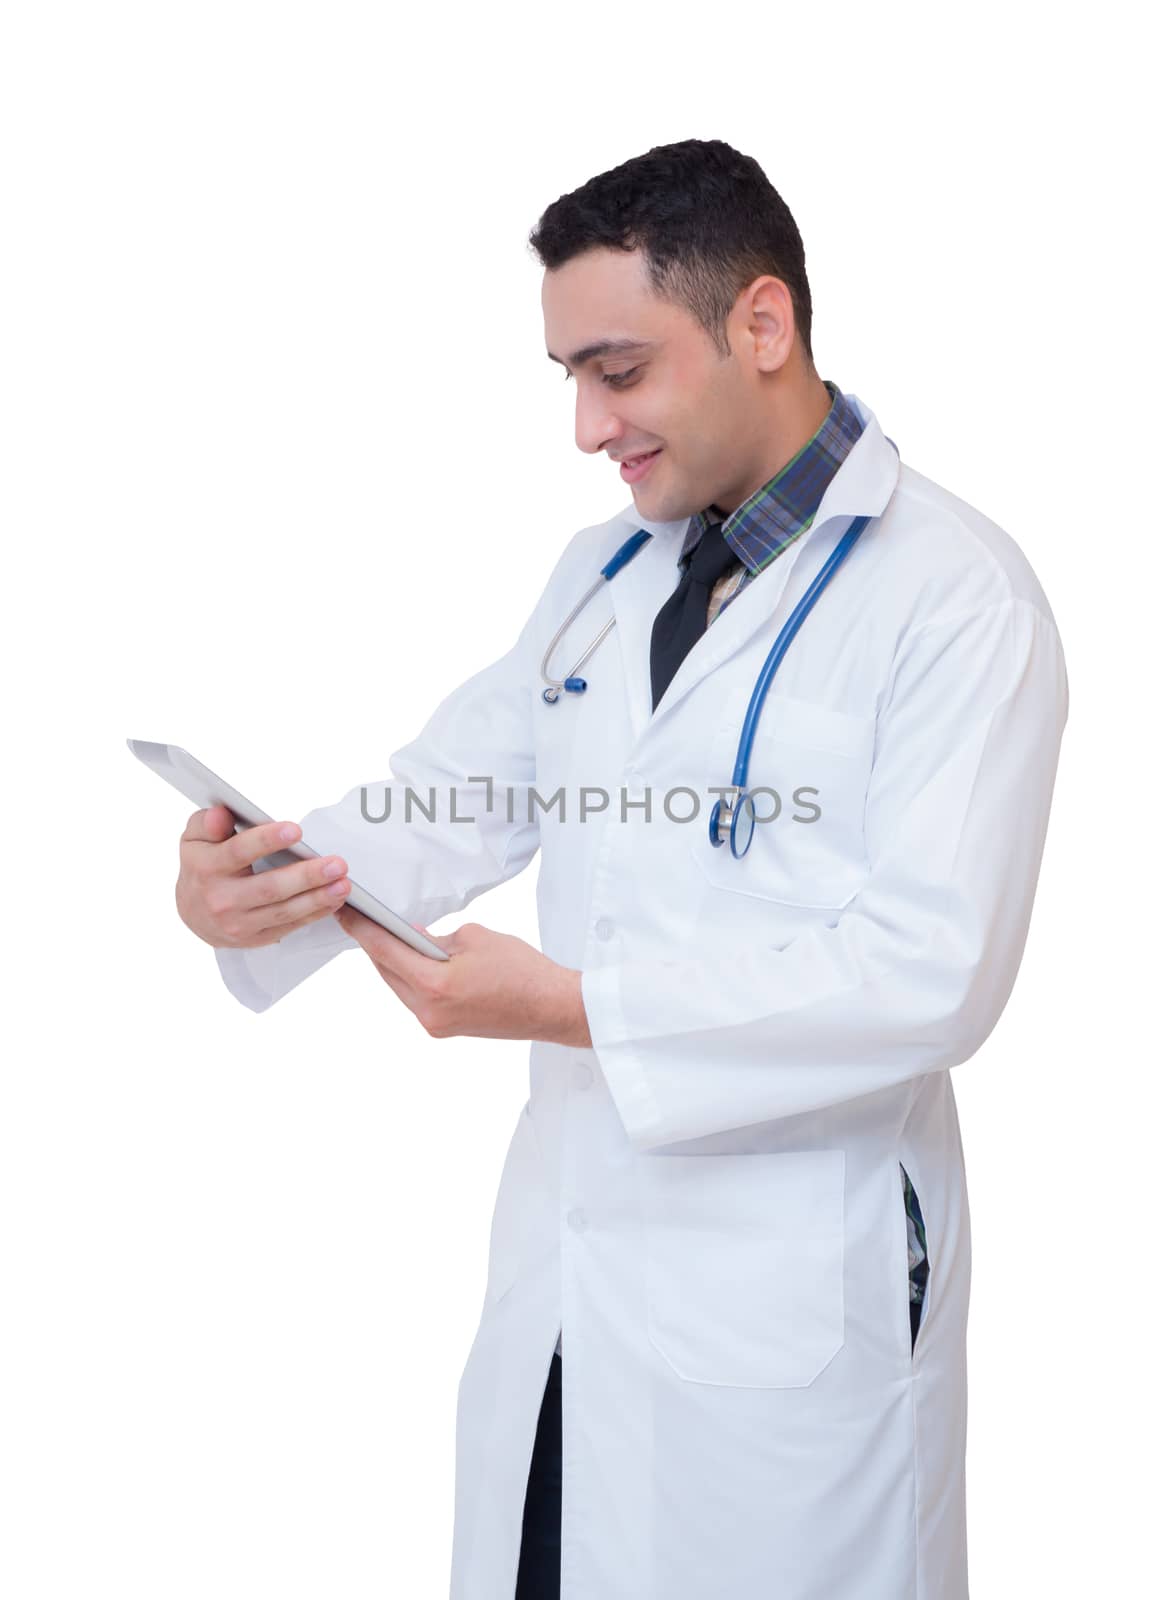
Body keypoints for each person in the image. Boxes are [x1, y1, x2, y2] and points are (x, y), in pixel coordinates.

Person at [174, 138, 1068, 1599]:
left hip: (792, 1300)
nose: (587, 426)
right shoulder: (604, 575)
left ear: (760, 325)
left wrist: (573, 1007)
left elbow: (934, 973)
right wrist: (263, 878)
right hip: (574, 1284)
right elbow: (448, 793)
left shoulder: (953, 596)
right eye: (570, 380)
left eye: (619, 371)